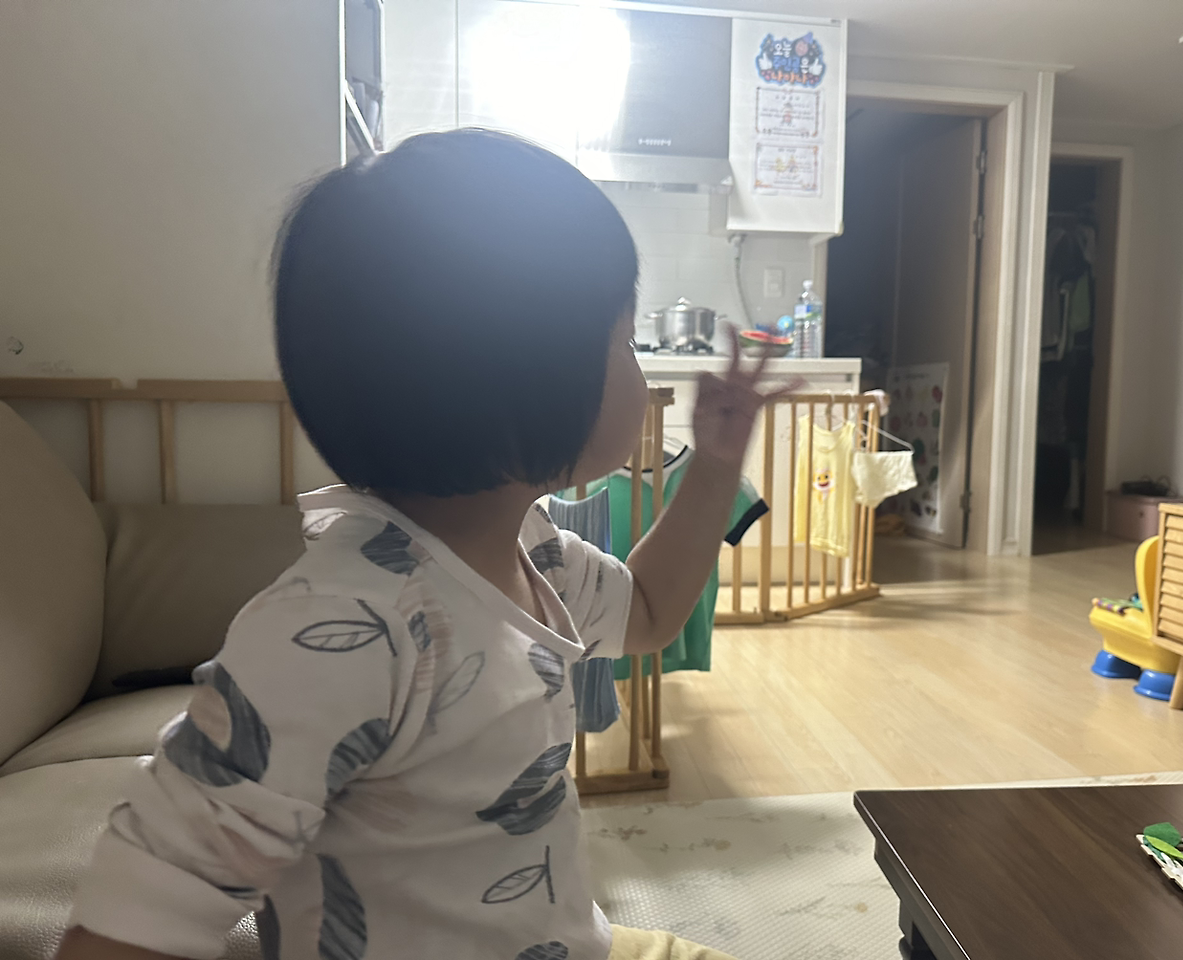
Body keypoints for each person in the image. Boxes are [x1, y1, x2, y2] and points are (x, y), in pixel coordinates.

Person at [53, 130, 797, 960]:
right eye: (623, 340)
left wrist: (716, 462)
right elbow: (133, 919)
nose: (641, 368)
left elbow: (651, 612)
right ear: (528, 382)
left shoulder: (536, 555)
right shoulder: (343, 627)